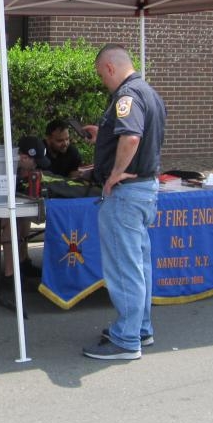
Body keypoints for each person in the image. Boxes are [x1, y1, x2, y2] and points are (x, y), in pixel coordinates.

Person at [81, 43, 166, 361]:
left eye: (101, 74)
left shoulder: (127, 95)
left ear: (109, 68)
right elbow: (132, 134)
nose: (103, 81)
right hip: (146, 189)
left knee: (124, 266)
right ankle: (140, 328)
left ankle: (127, 339)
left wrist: (115, 174)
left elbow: (132, 137)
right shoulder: (149, 93)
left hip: (127, 194)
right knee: (139, 263)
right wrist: (102, 132)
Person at [0, 135, 50, 281]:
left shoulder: (25, 173)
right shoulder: (5, 167)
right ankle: (10, 274)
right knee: (11, 219)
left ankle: (23, 260)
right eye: (35, 164)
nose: (37, 168)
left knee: (22, 215)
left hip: (9, 208)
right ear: (23, 158)